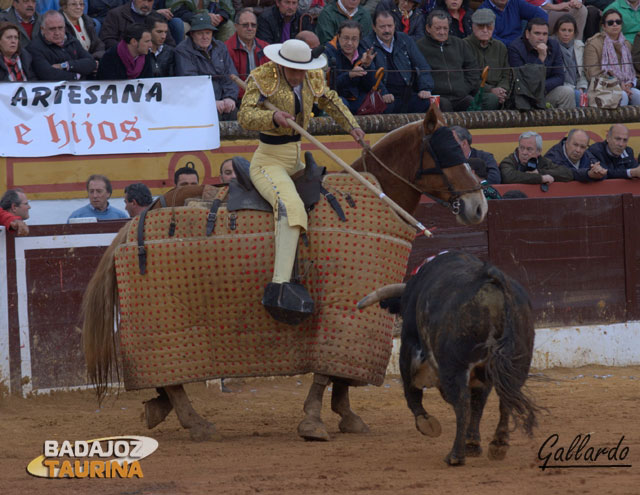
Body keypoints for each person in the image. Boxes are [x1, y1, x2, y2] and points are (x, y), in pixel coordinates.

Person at [237, 38, 365, 323]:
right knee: (291, 207)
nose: (297, 75)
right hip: (268, 160)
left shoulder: (312, 77)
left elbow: (330, 101)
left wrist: (353, 127)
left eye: (301, 70)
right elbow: (244, 116)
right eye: (291, 70)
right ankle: (279, 285)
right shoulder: (261, 77)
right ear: (280, 65)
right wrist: (272, 116)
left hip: (296, 158)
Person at [361, 10, 432, 114]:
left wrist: (425, 88)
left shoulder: (405, 39)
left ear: (395, 25)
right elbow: (370, 74)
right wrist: (383, 93)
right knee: (387, 107)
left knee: (425, 103)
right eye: (382, 27)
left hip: (408, 93)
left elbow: (422, 65)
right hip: (385, 96)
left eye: (390, 26)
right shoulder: (366, 44)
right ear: (374, 27)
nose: (387, 30)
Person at [175, 12, 239, 121]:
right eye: (200, 33)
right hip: (197, 103)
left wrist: (230, 97)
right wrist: (210, 102)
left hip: (223, 100)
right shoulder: (182, 50)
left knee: (234, 113)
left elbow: (231, 75)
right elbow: (191, 83)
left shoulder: (220, 47)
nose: (205, 37)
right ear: (192, 34)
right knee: (212, 115)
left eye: (208, 33)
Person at [417, 10, 479, 112]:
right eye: (438, 28)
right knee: (444, 105)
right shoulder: (419, 46)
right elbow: (416, 73)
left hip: (460, 95)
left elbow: (473, 69)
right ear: (428, 28)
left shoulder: (459, 44)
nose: (442, 32)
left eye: (445, 28)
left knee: (473, 104)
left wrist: (465, 88)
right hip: (436, 96)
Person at [508, 17, 576, 109]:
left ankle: (562, 123)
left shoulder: (553, 45)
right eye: (537, 33)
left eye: (545, 34)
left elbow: (559, 77)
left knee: (567, 92)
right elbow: (524, 82)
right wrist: (541, 58)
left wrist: (541, 87)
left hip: (545, 91)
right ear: (527, 34)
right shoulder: (515, 48)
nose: (541, 38)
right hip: (524, 96)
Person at [584, 9, 640, 107]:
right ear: (603, 26)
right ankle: (617, 122)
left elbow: (634, 72)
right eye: (610, 23)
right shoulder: (593, 43)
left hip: (626, 86)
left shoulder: (626, 44)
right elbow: (592, 73)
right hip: (602, 87)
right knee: (622, 95)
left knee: (638, 95)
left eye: (618, 22)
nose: (615, 25)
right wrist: (617, 83)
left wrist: (630, 84)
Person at [325, 20, 378, 113]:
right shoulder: (328, 51)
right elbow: (329, 85)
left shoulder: (364, 51)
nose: (349, 43)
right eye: (345, 38)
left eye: (354, 39)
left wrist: (367, 66)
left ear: (359, 39)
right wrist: (349, 75)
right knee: (341, 104)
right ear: (338, 36)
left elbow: (370, 86)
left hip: (357, 96)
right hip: (336, 96)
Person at [27, 10, 95, 80]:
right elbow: (48, 75)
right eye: (52, 29)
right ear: (43, 29)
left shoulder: (72, 40)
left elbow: (91, 63)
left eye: (60, 28)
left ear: (65, 27)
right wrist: (77, 76)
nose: (57, 33)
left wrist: (65, 65)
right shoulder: (35, 48)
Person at [463, 9, 509, 110]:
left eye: (489, 26)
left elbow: (506, 74)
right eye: (480, 26)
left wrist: (502, 90)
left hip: (499, 91)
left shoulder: (500, 47)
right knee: (491, 99)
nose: (485, 30)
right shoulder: (464, 45)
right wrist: (491, 90)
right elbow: (469, 78)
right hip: (474, 92)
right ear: (473, 27)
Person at [499, 131, 574, 184]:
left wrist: (539, 172)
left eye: (529, 149)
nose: (524, 153)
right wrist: (541, 178)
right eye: (521, 148)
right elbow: (508, 177)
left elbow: (567, 174)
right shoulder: (509, 160)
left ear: (538, 151)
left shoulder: (542, 161)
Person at [225, 8, 268, 98]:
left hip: (264, 96)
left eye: (253, 25)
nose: (250, 28)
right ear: (236, 26)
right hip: (239, 98)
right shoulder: (226, 49)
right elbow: (229, 82)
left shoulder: (265, 47)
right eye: (245, 25)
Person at [99, 0, 175, 50]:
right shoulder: (116, 14)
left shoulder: (157, 17)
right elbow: (107, 40)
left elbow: (170, 44)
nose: (146, 4)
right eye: (142, 0)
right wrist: (129, 50)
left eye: (149, 1)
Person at [544, 129, 608, 182]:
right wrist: (588, 174)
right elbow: (567, 173)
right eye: (575, 145)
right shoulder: (552, 156)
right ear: (567, 142)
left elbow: (602, 171)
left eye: (582, 147)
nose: (578, 150)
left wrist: (599, 172)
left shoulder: (587, 154)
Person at [551, 13, 587, 108]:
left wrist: (581, 86)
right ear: (557, 31)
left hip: (578, 84)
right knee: (575, 94)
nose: (566, 34)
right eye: (563, 30)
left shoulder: (579, 46)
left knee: (587, 93)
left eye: (570, 31)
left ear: (574, 33)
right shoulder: (551, 46)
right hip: (560, 87)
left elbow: (582, 72)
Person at [478, 0, 547, 47]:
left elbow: (541, 15)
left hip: (521, 46)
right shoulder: (483, 11)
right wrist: (518, 44)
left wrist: (528, 35)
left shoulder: (515, 2)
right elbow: (491, 40)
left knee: (551, 44)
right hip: (500, 51)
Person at [165, 0, 235, 42]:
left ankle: (224, 60)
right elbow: (177, 10)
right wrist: (203, 17)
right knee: (182, 26)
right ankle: (188, 59)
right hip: (189, 19)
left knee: (228, 25)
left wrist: (220, 17)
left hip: (213, 21)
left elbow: (228, 9)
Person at [145, 12, 174, 77]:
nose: (163, 36)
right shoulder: (139, 52)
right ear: (148, 31)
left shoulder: (170, 52)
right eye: (159, 32)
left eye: (165, 32)